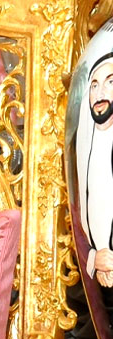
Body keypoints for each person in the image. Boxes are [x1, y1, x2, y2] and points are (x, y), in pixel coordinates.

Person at [76, 53, 113, 287]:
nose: (100, 94)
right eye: (94, 85)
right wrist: (94, 260)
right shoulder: (83, 147)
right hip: (95, 287)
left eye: (110, 82)